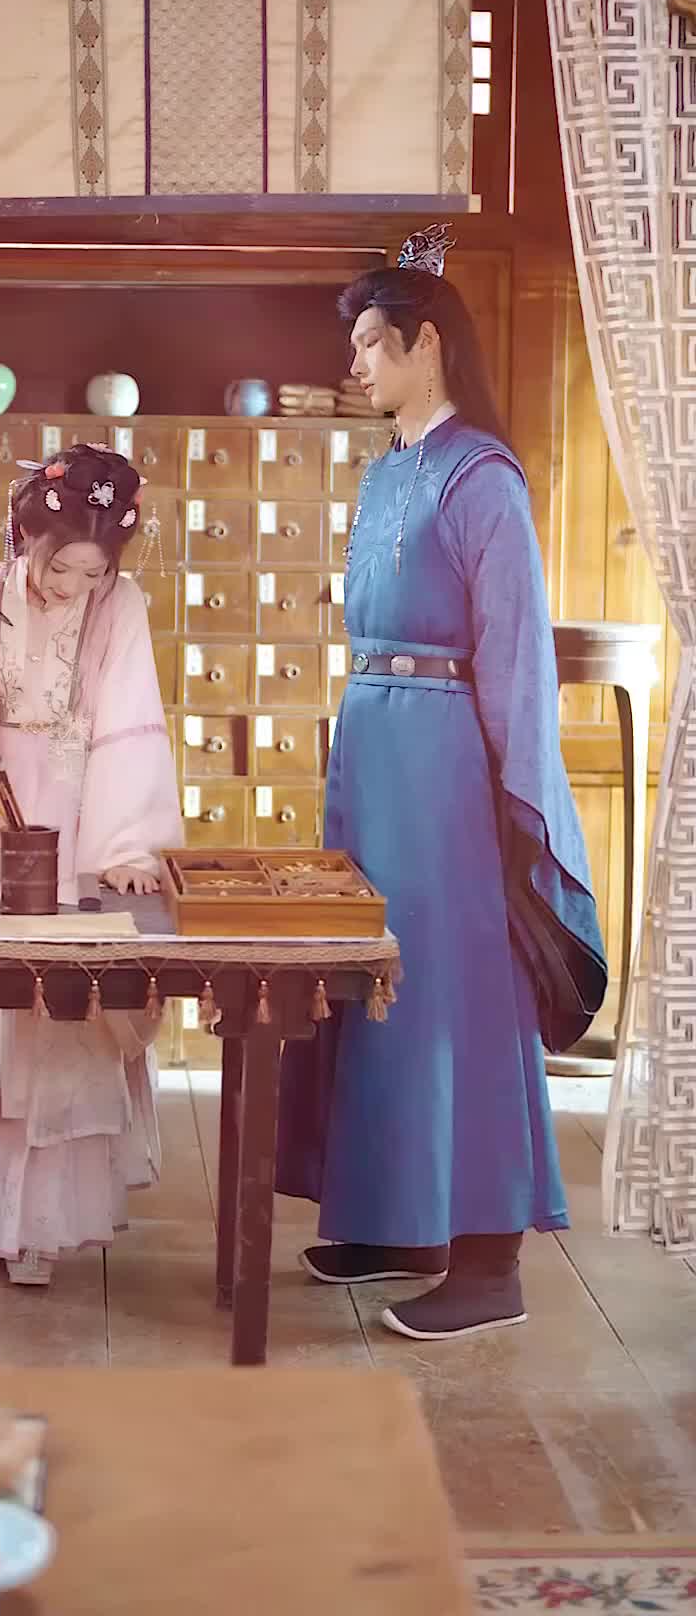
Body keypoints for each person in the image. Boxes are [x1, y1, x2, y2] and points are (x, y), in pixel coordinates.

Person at [276, 227, 606, 1341]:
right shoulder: (386, 471)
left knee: (456, 990)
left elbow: (514, 652)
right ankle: (396, 1220)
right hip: (372, 752)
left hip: (449, 771)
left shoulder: (482, 478)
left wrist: (520, 804)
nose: (356, 361)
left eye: (374, 341)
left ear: (427, 344)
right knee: (373, 978)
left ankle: (489, 1259)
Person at [0, 443, 183, 1288]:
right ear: (25, 539)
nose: (76, 588)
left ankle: (41, 1230)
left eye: (94, 574)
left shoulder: (120, 606)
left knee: (61, 1022)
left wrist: (125, 848)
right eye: (63, 570)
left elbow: (131, 721)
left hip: (76, 829)